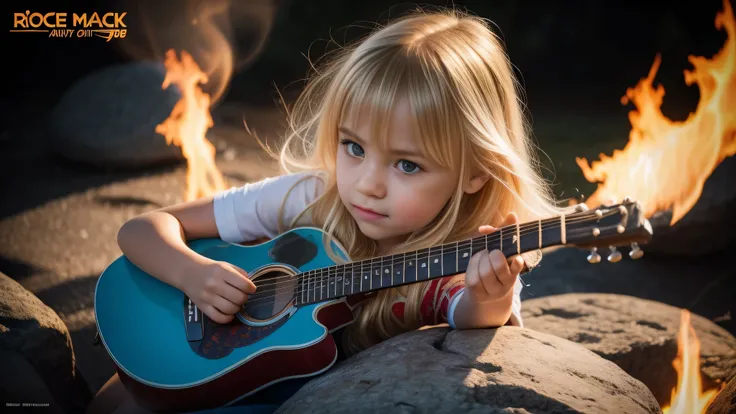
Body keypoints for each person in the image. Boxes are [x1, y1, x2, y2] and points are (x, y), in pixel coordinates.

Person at [87, 7, 569, 414]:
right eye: (353, 147)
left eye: (406, 164)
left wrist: (491, 296)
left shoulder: (466, 256)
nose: (367, 184)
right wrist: (193, 274)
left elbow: (471, 314)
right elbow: (143, 229)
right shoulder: (311, 196)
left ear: (475, 171)